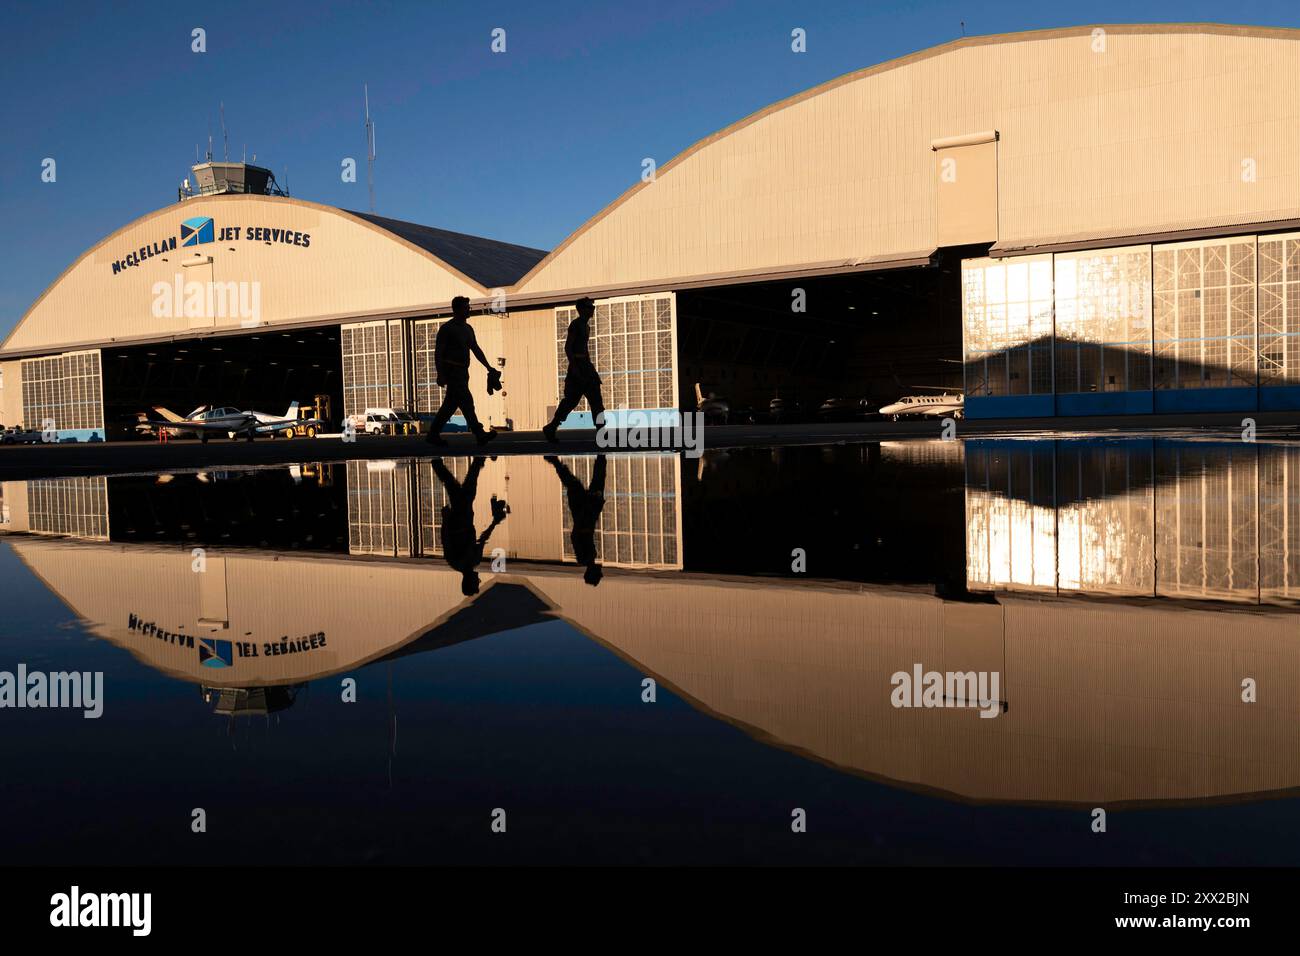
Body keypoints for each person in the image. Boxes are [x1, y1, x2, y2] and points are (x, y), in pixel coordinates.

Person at [426, 296, 499, 447]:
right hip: (452, 371)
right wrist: (440, 373)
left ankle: (433, 434)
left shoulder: (468, 329)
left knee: (450, 406)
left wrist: (488, 367)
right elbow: (438, 353)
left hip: (463, 372)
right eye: (466, 307)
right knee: (467, 401)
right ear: (457, 309)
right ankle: (479, 434)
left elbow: (475, 349)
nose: (468, 310)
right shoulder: (447, 329)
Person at [431, 457, 509, 596]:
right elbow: (482, 539)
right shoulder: (471, 561)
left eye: (476, 582)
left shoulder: (458, 562)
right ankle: (472, 462)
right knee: (459, 489)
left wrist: (446, 520)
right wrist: (494, 523)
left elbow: (446, 541)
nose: (478, 580)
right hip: (465, 518)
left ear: (468, 581)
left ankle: (476, 461)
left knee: (461, 490)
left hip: (459, 520)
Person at [542, 297, 605, 442]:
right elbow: (568, 347)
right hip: (578, 366)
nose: (592, 310)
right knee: (571, 400)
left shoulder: (586, 326)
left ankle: (601, 430)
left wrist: (590, 367)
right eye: (590, 307)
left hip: (585, 366)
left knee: (596, 400)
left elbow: (584, 349)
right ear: (582, 309)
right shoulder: (575, 325)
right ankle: (552, 427)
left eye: (592, 307)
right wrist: (575, 367)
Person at [545, 454, 607, 586]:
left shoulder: (584, 558)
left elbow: (576, 536)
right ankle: (600, 455)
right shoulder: (589, 557)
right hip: (586, 511)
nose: (600, 570)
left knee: (578, 483)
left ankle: (556, 462)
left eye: (598, 573)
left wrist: (586, 512)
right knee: (579, 483)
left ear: (592, 572)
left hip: (585, 511)